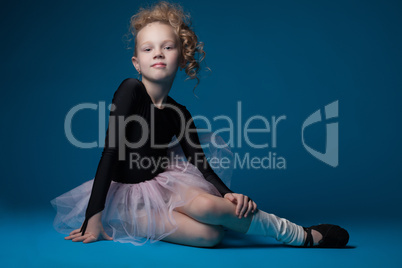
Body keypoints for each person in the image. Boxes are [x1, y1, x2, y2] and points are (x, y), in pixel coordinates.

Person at [50, 1, 349, 248]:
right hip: (128, 198)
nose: (157, 53)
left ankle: (301, 235)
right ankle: (135, 221)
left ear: (181, 58)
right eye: (148, 48)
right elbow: (110, 153)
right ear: (136, 62)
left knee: (211, 207)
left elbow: (201, 165)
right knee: (211, 237)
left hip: (163, 184)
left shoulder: (179, 112)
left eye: (167, 47)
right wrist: (94, 215)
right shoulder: (130, 90)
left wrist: (228, 193)